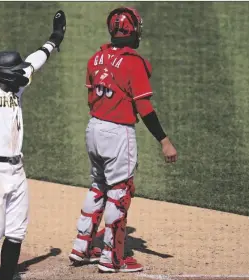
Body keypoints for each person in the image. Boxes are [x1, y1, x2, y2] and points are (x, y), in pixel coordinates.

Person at [68, 6, 178, 273]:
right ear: (133, 31)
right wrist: (164, 140)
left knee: (98, 186)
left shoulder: (95, 59)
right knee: (120, 192)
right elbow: (145, 108)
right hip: (118, 133)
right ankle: (113, 258)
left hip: (93, 128)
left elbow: (90, 98)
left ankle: (82, 246)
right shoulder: (133, 62)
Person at [0, 8, 66, 280]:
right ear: (5, 74)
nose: (22, 73)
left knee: (17, 232)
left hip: (16, 170)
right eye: (16, 70)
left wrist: (54, 39)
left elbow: (35, 61)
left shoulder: (15, 86)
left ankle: (6, 277)